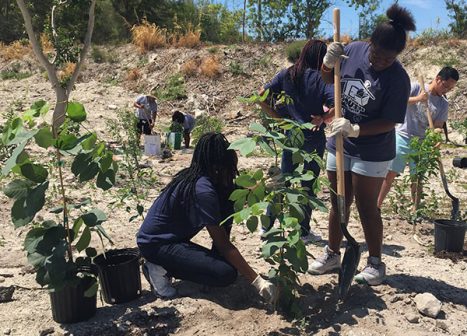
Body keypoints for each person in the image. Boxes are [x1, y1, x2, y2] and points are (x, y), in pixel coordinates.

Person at [308, 4, 416, 286]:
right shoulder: (353, 50)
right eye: (377, 55)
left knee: (367, 207)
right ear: (370, 43)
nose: (380, 62)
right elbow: (326, 79)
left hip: (373, 150)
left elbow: (390, 121)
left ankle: (376, 263)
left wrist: (356, 129)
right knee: (337, 203)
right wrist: (327, 64)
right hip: (339, 142)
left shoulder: (398, 79)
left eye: (388, 59)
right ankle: (332, 253)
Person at [136, 132, 276, 302]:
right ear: (218, 167)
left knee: (228, 200)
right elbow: (223, 244)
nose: (232, 175)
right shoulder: (203, 190)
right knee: (225, 274)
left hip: (173, 239)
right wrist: (257, 281)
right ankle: (158, 267)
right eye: (230, 169)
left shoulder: (201, 178)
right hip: (156, 244)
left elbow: (234, 191)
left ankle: (196, 268)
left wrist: (266, 186)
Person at [259, 39, 335, 244]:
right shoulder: (323, 78)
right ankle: (302, 230)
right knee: (308, 185)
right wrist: (323, 118)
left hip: (291, 136)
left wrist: (278, 119)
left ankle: (266, 226)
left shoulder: (288, 73)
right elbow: (338, 103)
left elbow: (261, 96)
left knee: (282, 181)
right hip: (313, 136)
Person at [377, 67, 459, 209]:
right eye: (446, 86)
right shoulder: (417, 87)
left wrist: (436, 137)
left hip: (422, 142)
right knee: (390, 174)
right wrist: (418, 99)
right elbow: (398, 101)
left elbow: (439, 125)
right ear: (438, 79)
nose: (446, 90)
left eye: (450, 89)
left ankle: (416, 209)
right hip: (403, 136)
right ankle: (376, 206)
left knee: (418, 177)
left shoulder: (443, 103)